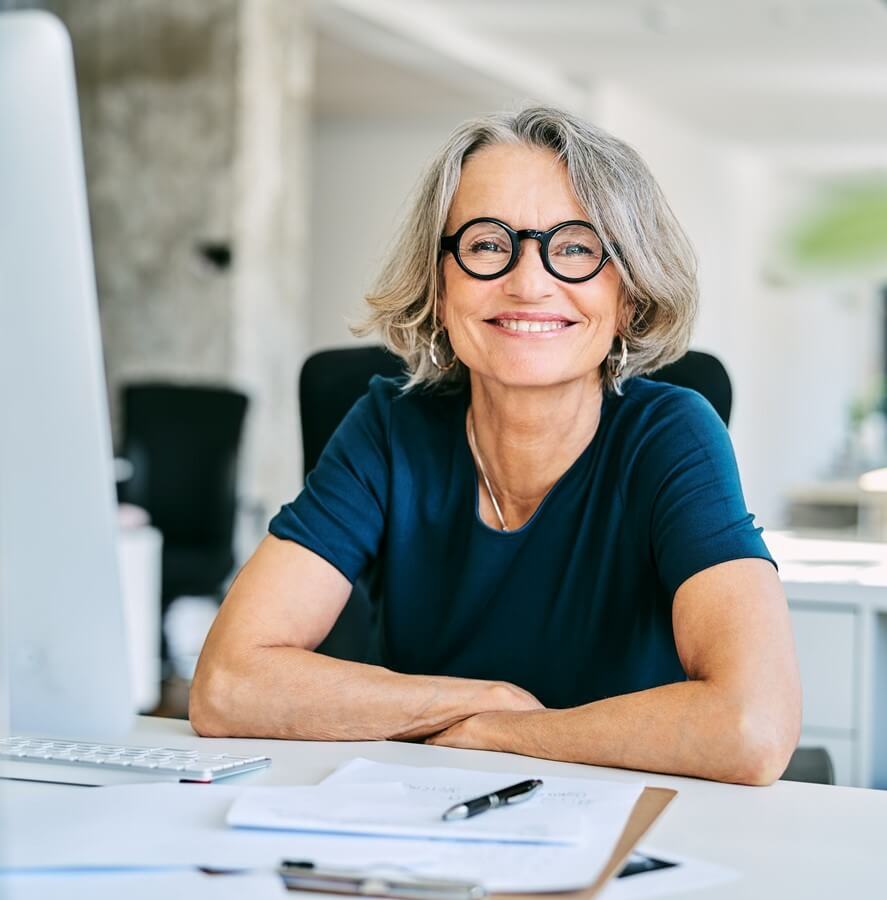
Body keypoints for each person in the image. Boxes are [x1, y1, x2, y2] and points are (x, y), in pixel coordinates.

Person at [190, 107, 801, 785]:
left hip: (623, 825)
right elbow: (226, 683)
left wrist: (512, 735)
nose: (528, 282)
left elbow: (752, 727)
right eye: (486, 245)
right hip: (421, 814)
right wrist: (481, 700)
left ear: (626, 293)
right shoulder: (388, 426)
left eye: (575, 247)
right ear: (439, 283)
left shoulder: (670, 434)